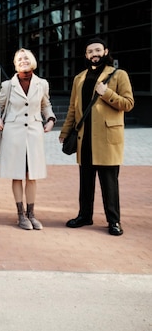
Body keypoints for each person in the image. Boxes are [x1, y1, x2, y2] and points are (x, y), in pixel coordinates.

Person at [60, 37, 134, 236]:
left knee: (109, 183)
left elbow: (128, 103)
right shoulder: (79, 78)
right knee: (86, 181)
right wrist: (65, 131)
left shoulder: (119, 75)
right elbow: (72, 109)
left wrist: (107, 93)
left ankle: (114, 221)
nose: (94, 54)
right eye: (90, 51)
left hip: (107, 138)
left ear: (106, 51)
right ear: (86, 55)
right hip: (85, 138)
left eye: (98, 50)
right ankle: (85, 215)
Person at [0, 48, 56, 230]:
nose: (23, 61)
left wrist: (50, 119)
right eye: (19, 59)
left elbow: (46, 105)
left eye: (26, 58)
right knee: (18, 175)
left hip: (34, 133)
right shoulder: (7, 85)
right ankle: (21, 216)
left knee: (32, 175)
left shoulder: (42, 83)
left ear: (32, 60)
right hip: (13, 133)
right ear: (15, 63)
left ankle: (32, 214)